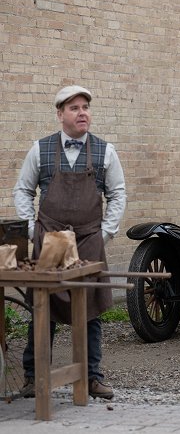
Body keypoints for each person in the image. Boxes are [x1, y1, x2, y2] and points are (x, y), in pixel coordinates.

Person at [13, 85, 127, 400]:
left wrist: (105, 232)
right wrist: (33, 231)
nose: (82, 113)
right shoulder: (41, 149)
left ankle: (92, 376)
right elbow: (23, 190)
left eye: (85, 107)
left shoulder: (106, 151)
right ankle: (33, 377)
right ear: (60, 114)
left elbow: (118, 194)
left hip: (90, 240)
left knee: (89, 310)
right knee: (42, 309)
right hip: (49, 240)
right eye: (74, 108)